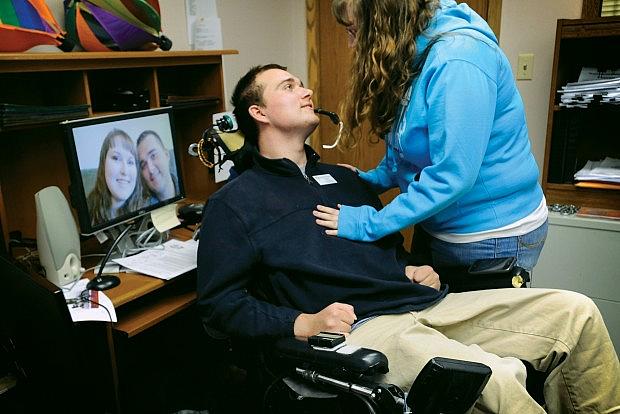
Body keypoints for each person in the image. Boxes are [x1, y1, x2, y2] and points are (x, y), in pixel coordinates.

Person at [196, 64, 619, 413]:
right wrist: (301, 323)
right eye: (288, 86)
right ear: (258, 113)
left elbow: (391, 250)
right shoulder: (236, 202)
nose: (306, 91)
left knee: (574, 313)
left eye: (302, 83)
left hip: (425, 303)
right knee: (499, 377)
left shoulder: (345, 180)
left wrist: (412, 268)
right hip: (362, 330)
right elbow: (220, 306)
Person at [312, 0, 548, 272]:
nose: (352, 45)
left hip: (490, 236)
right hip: (438, 223)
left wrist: (369, 224)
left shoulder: (459, 60)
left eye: (355, 31)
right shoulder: (411, 50)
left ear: (386, 21)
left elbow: (453, 175)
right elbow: (409, 146)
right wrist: (372, 180)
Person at [87, 128, 143, 226]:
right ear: (103, 164)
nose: (125, 171)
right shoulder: (88, 209)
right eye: (116, 158)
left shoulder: (147, 206)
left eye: (130, 162)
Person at [137, 130, 179, 204]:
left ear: (166, 155)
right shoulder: (143, 208)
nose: (151, 169)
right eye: (143, 164)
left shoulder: (189, 188)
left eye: (153, 156)